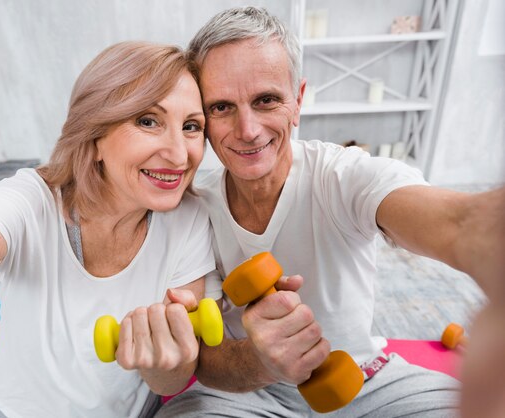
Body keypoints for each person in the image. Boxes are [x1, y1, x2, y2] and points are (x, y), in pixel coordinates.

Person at [156, 6, 505, 418]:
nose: (247, 129)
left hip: (369, 381)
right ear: (203, 119)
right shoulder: (195, 206)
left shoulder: (343, 176)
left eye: (266, 100)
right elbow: (208, 363)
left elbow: (457, 222)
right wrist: (262, 361)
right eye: (222, 107)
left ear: (298, 100)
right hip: (251, 395)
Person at [0, 41, 219, 417]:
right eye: (148, 121)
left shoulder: (190, 218)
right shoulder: (26, 203)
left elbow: (169, 383)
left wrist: (164, 364)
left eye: (191, 127)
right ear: (94, 135)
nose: (178, 153)